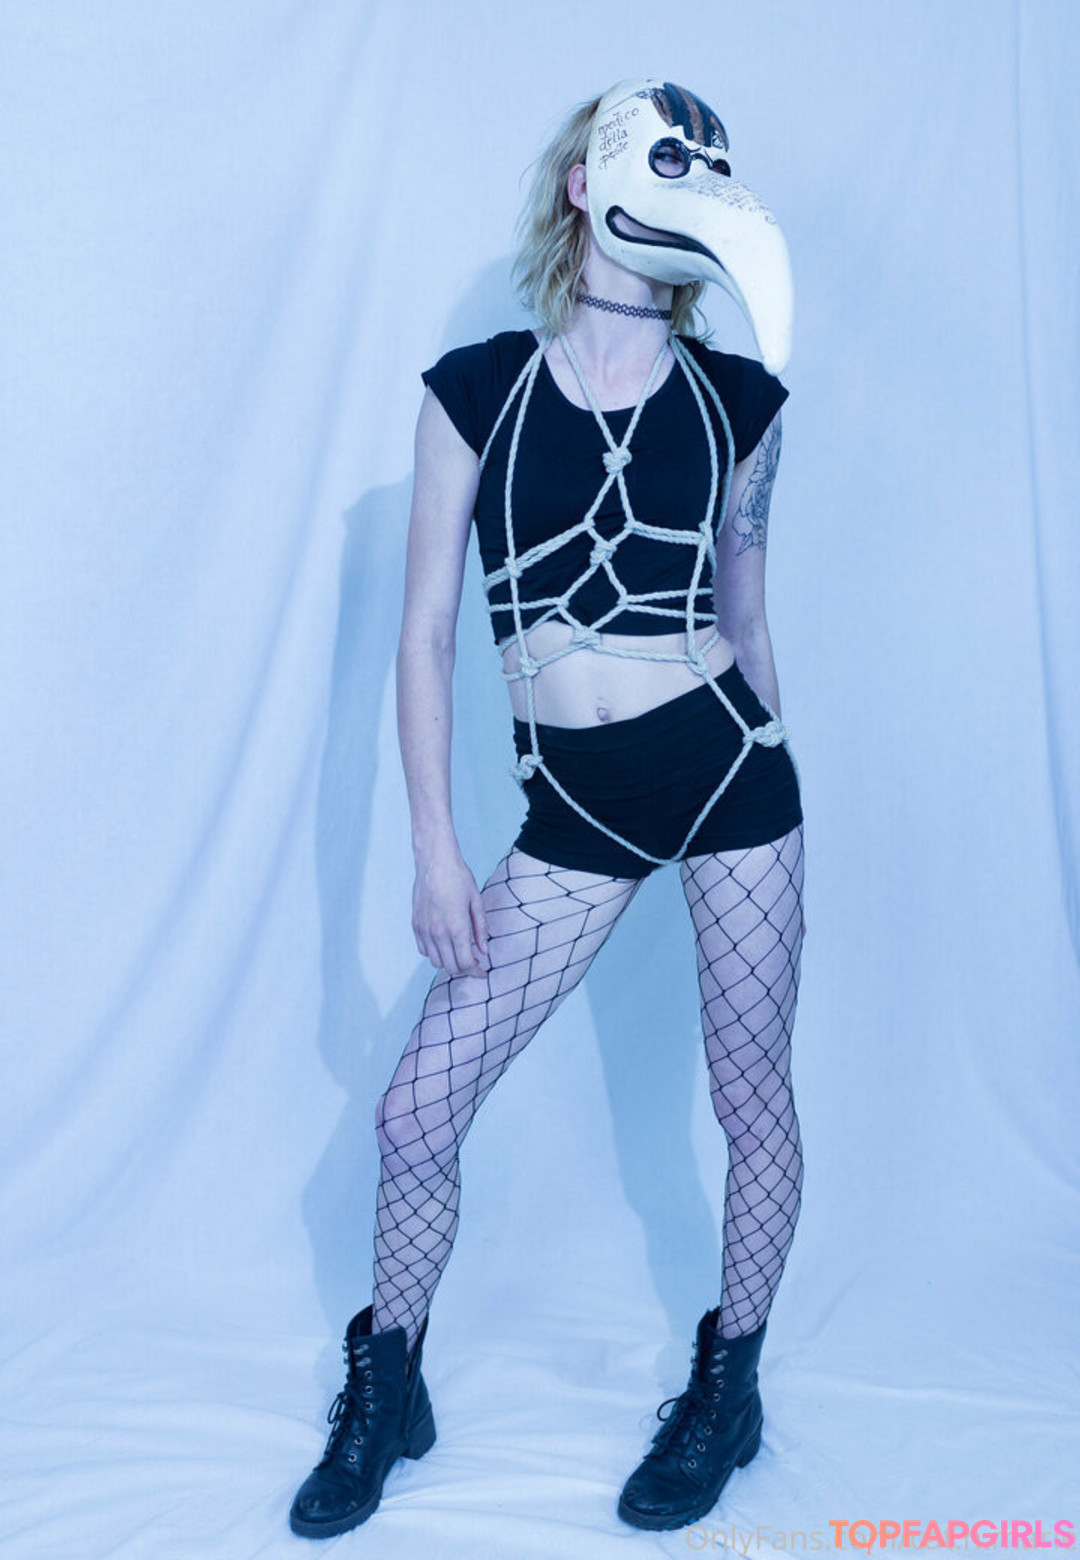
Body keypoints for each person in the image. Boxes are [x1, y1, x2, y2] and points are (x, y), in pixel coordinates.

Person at [289, 77, 806, 1539]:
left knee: (751, 1094)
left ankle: (731, 1385)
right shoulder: (479, 389)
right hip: (573, 808)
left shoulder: (741, 402)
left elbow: (747, 616)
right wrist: (436, 849)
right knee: (416, 1112)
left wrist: (783, 781)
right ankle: (390, 1382)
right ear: (586, 182)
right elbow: (423, 633)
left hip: (729, 776)